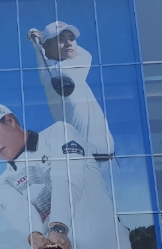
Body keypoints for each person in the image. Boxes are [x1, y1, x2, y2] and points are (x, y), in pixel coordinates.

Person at [0, 103, 131, 249]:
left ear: (10, 121)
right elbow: (21, 214)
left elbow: (67, 179)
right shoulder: (2, 183)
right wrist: (34, 234)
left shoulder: (59, 132)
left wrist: (58, 227)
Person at [27, 22, 114, 158]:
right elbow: (86, 54)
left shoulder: (49, 72)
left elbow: (42, 57)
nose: (68, 43)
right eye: (61, 40)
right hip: (92, 162)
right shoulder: (64, 71)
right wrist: (39, 40)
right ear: (47, 46)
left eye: (71, 39)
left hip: (100, 159)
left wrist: (38, 42)